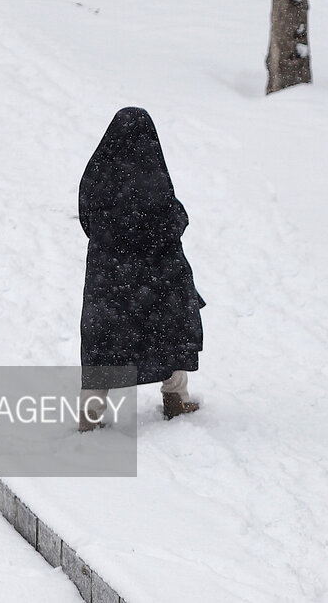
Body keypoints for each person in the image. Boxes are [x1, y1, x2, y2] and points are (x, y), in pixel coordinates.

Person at [77, 107, 205, 430]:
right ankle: (176, 397)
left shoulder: (99, 175)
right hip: (155, 281)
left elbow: (86, 217)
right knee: (170, 327)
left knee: (102, 344)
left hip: (109, 284)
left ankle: (90, 413)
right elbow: (173, 221)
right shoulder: (154, 178)